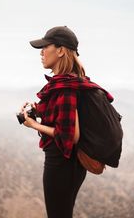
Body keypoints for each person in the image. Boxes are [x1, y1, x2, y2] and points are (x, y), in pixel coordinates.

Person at [19, 26, 91, 218]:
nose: (41, 52)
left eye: (45, 47)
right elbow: (62, 116)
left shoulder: (66, 87)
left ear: (60, 50)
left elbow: (69, 135)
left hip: (61, 164)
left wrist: (33, 125)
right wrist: (37, 110)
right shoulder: (67, 83)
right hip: (69, 165)